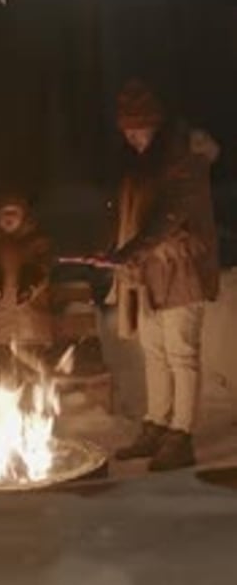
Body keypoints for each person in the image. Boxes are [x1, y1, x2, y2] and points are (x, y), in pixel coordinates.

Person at [93, 80, 219, 471]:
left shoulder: (183, 159)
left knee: (181, 354)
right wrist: (114, 250)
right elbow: (131, 215)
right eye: (126, 131)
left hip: (182, 270)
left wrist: (131, 251)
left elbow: (170, 216)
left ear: (155, 125)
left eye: (138, 129)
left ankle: (181, 435)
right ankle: (157, 424)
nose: (132, 137)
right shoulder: (141, 164)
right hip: (148, 273)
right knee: (155, 352)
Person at [0, 193, 53, 373]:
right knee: (0, 377)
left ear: (23, 215)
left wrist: (30, 288)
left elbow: (43, 271)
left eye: (14, 212)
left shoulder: (37, 241)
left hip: (31, 325)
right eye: (4, 212)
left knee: (32, 379)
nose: (9, 217)